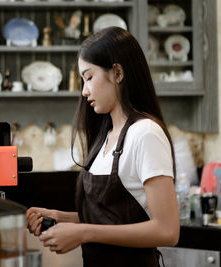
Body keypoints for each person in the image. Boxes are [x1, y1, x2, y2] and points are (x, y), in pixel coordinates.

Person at [26, 27, 180, 267]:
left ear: (117, 73)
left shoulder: (145, 134)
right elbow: (112, 219)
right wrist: (61, 218)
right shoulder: (105, 137)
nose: (84, 90)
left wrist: (83, 233)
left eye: (89, 77)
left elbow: (167, 230)